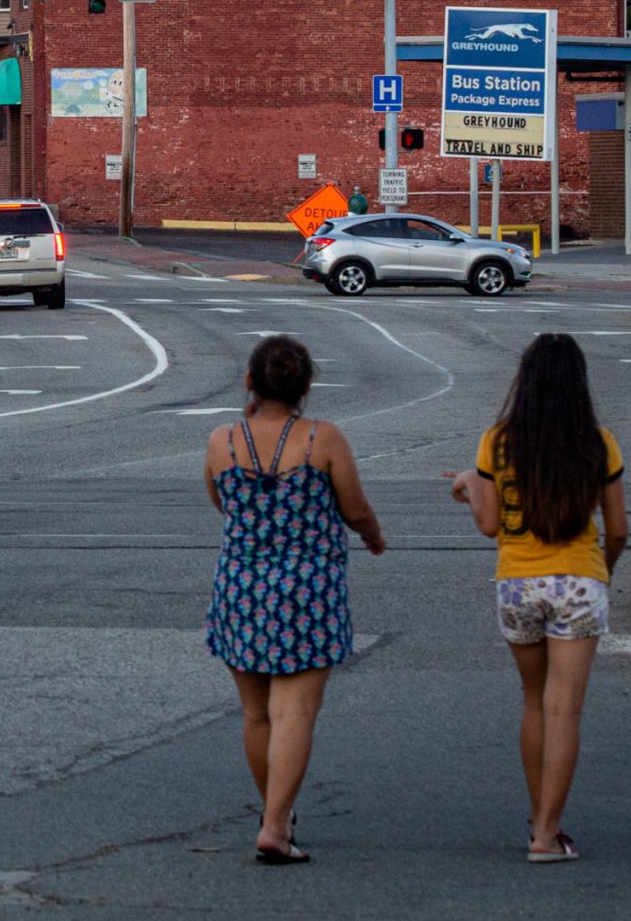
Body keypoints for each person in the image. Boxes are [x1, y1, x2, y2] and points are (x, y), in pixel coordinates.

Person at [203, 335, 386, 865]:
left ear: (249, 382)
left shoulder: (222, 441)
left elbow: (221, 500)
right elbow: (354, 508)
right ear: (306, 386)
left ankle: (272, 814)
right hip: (307, 590)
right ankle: (277, 827)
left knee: (256, 713)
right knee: (295, 711)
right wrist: (373, 535)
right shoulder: (322, 439)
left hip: (240, 586)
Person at [448, 332, 629, 865]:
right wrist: (602, 574)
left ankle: (538, 817)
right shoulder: (599, 444)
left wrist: (466, 486)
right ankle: (547, 835)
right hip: (578, 582)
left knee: (534, 702)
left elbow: (488, 524)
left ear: (523, 381)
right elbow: (617, 529)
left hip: (516, 583)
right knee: (564, 709)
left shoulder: (496, 441)